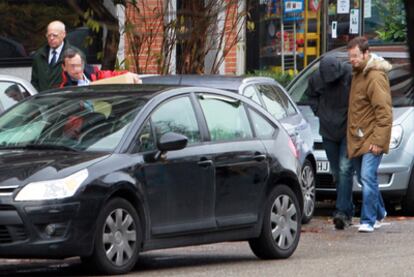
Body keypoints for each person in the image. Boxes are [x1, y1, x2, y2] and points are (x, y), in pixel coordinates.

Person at [346, 36, 392, 233]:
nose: (352, 59)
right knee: (367, 177)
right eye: (350, 56)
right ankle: (380, 212)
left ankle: (368, 220)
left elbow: (384, 111)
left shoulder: (374, 76)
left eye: (355, 56)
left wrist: (378, 141)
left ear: (366, 53)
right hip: (358, 136)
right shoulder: (358, 73)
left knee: (367, 176)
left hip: (372, 138)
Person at [305, 55, 354, 230]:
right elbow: (310, 97)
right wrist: (320, 112)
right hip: (328, 132)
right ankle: (348, 210)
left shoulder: (349, 74)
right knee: (337, 172)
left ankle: (341, 212)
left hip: (348, 131)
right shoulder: (316, 79)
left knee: (345, 170)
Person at [59, 47, 141, 87]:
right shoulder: (65, 88)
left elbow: (111, 75)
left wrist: (128, 74)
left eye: (79, 64)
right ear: (64, 67)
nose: (77, 69)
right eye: (72, 66)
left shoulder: (93, 73)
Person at [31, 20, 74, 91]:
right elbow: (34, 82)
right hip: (43, 100)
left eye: (55, 35)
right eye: (49, 35)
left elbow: (79, 81)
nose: (51, 38)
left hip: (64, 100)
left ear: (64, 34)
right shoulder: (39, 55)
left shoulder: (74, 55)